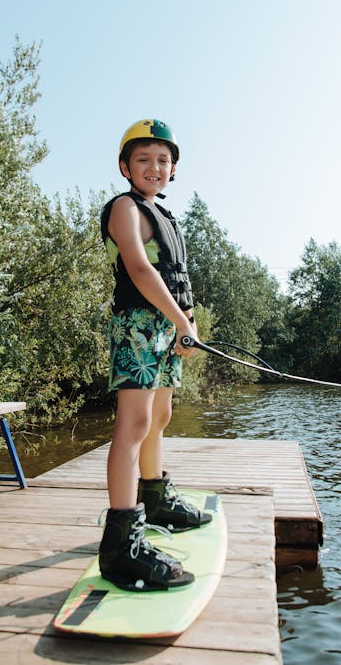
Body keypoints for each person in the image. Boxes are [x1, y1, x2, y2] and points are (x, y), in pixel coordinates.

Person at [98, 118, 211, 592]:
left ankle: (157, 499)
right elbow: (142, 271)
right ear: (125, 167)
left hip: (168, 325)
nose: (154, 167)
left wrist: (187, 320)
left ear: (174, 170)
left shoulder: (165, 214)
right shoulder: (125, 208)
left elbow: (173, 275)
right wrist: (179, 321)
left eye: (163, 160)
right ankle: (122, 544)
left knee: (160, 416)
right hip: (139, 327)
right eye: (143, 158)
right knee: (134, 425)